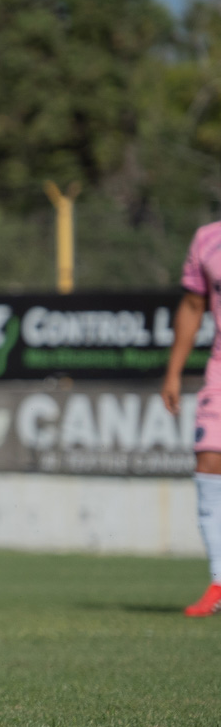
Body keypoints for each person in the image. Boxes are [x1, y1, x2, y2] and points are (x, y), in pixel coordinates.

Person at [161, 222, 221, 616]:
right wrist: (174, 371)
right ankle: (220, 582)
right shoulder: (207, 238)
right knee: (209, 462)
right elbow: (193, 305)